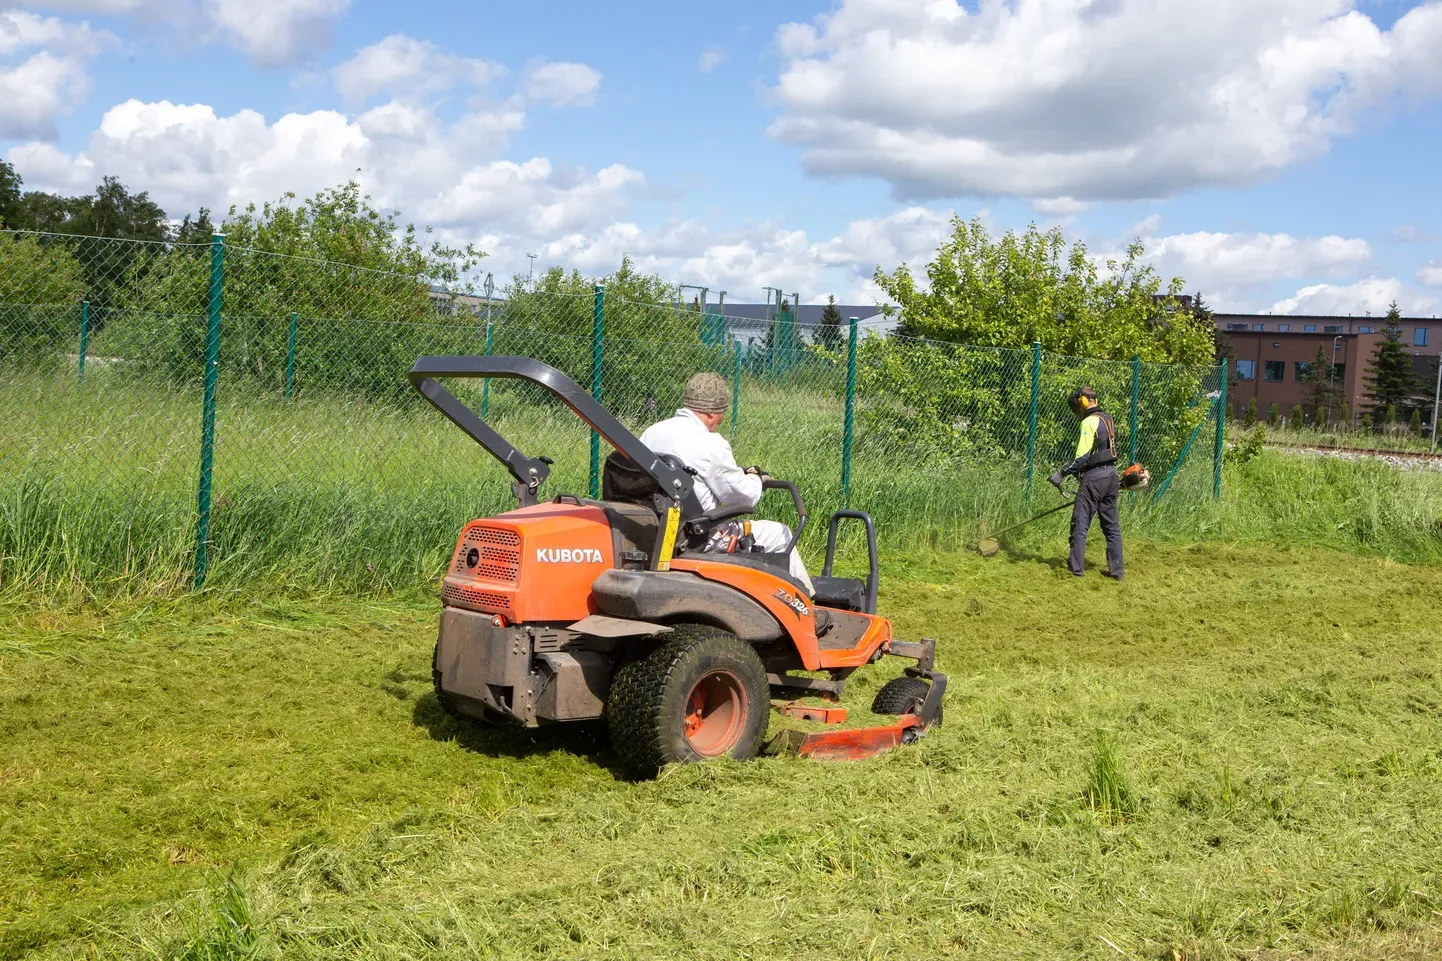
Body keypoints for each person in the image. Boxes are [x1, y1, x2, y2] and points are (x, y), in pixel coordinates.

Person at [639, 372, 814, 594]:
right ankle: (807, 606)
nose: (721, 419)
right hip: (696, 537)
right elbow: (742, 496)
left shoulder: (651, 433)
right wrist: (754, 478)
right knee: (780, 533)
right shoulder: (710, 443)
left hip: (654, 530)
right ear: (712, 411)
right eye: (721, 412)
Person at [1049, 385, 1123, 581]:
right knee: (1112, 527)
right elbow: (1101, 451)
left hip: (1095, 478)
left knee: (1080, 523)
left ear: (1082, 402)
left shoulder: (1089, 422)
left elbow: (1081, 457)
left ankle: (1076, 569)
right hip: (1112, 476)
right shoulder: (1108, 419)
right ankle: (1117, 572)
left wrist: (1061, 473)